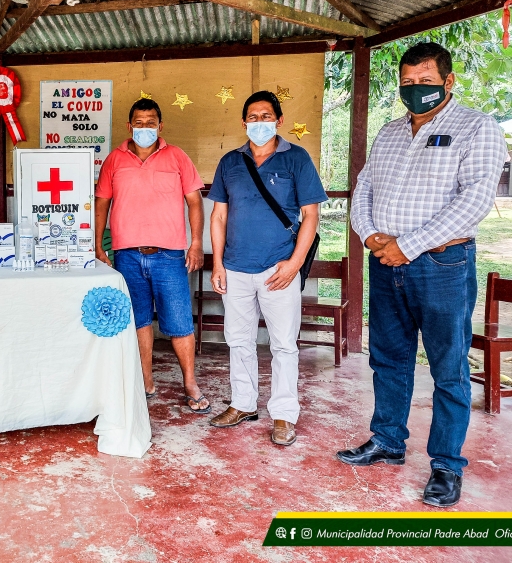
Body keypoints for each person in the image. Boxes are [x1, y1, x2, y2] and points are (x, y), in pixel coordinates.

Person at [340, 42, 507, 507]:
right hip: (385, 262)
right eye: (408, 82)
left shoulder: (477, 127)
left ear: (448, 82)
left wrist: (405, 246)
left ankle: (446, 465)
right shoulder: (390, 132)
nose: (415, 90)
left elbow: (473, 201)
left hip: (441, 264)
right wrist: (373, 238)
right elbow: (364, 189)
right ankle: (388, 441)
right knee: (388, 358)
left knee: (447, 367)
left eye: (426, 82)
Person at [207, 91, 326, 445]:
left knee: (283, 345)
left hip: (279, 269)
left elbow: (311, 216)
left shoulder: (297, 159)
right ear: (243, 122)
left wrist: (294, 264)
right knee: (238, 341)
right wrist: (218, 264)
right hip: (236, 268)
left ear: (279, 120)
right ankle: (243, 403)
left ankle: (284, 415)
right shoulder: (230, 162)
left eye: (266, 116)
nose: (259, 122)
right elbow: (219, 215)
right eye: (253, 117)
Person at [94, 97, 209, 412]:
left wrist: (196, 243)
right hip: (127, 255)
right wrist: (97, 244)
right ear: (129, 126)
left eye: (151, 121)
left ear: (161, 125)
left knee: (179, 322)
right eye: (139, 122)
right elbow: (101, 203)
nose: (145, 127)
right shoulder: (114, 160)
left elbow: (195, 202)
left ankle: (190, 383)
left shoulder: (177, 157)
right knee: (139, 320)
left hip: (169, 255)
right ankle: (145, 380)